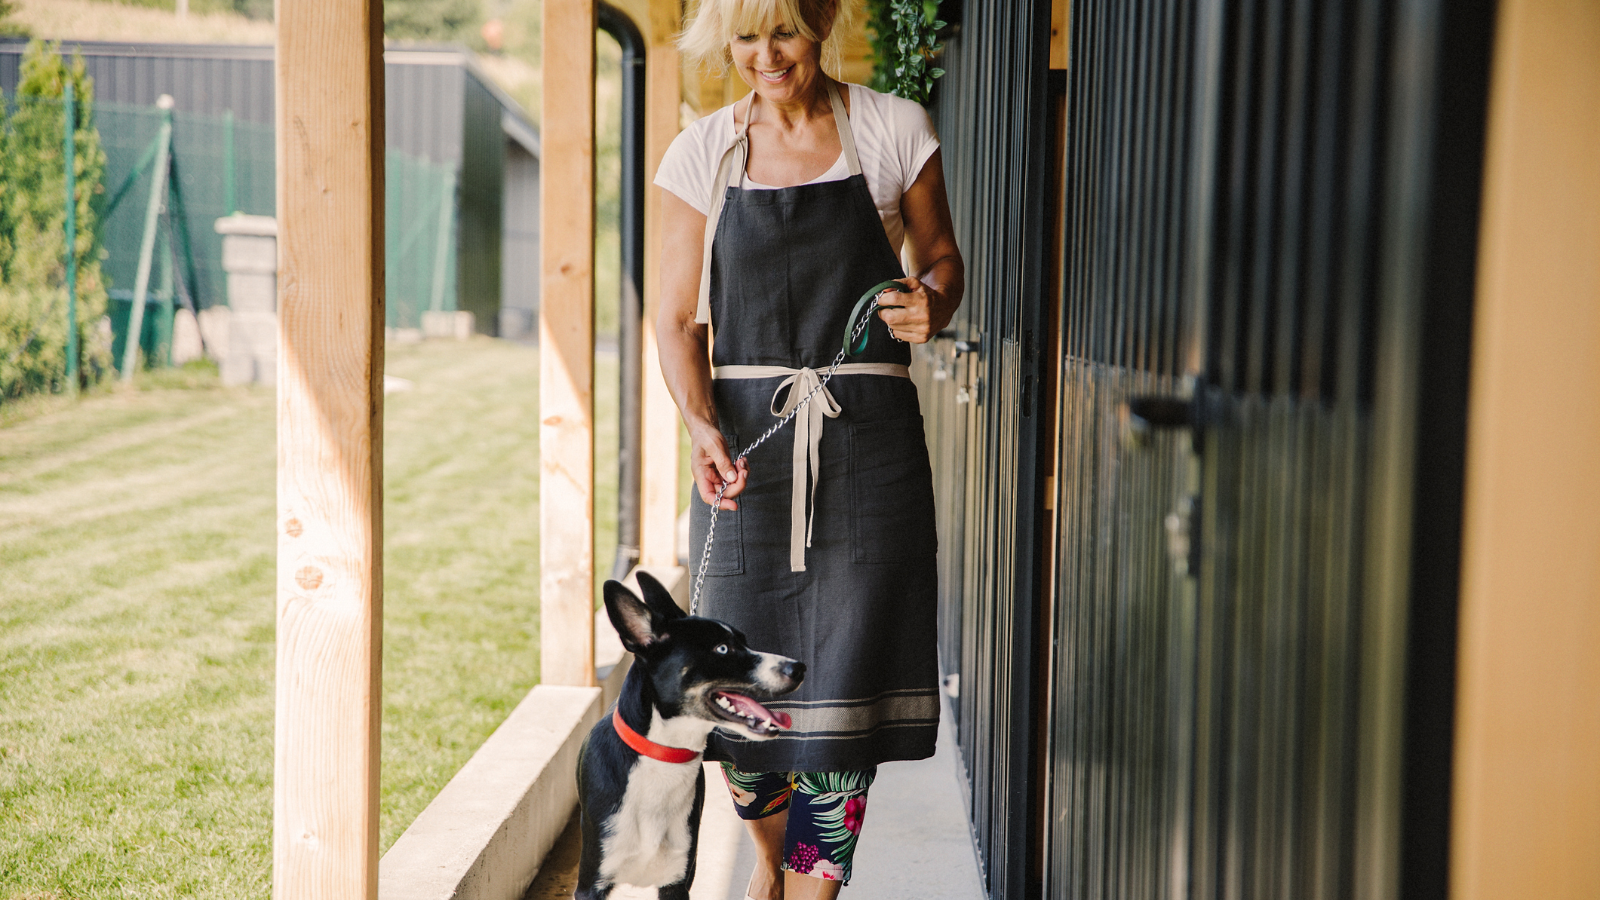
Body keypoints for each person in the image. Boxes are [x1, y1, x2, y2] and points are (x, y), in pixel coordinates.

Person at [654, 0, 963, 896]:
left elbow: (941, 256)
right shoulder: (700, 153)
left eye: (783, 31)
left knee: (845, 695)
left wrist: (933, 303)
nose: (765, 55)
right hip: (750, 452)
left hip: (871, 456)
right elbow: (675, 320)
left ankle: (812, 886)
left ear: (821, 22)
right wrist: (701, 424)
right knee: (739, 707)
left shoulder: (893, 129)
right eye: (746, 37)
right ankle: (770, 865)